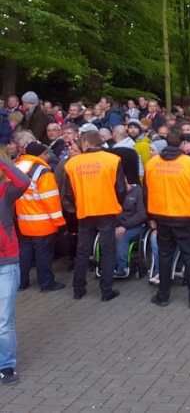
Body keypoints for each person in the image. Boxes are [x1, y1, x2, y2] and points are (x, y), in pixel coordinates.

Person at [146, 131, 190, 309]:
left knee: (164, 256)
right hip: (186, 217)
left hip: (162, 217)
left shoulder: (152, 163)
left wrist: (150, 217)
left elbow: (146, 192)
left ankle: (162, 295)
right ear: (183, 144)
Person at [63, 131, 126, 301]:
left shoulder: (72, 163)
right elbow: (121, 189)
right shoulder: (112, 160)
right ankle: (106, 291)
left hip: (85, 211)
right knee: (107, 251)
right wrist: (116, 203)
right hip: (107, 211)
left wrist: (80, 203)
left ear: (85, 143)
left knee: (82, 251)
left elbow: (68, 192)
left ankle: (78, 289)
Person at [14, 142, 66, 292]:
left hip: (23, 221)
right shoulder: (43, 172)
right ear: (40, 154)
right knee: (43, 254)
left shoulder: (17, 167)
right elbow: (51, 200)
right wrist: (60, 222)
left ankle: (21, 282)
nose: (48, 155)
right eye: (46, 153)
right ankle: (46, 284)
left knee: (24, 254)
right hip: (42, 223)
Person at [0, 156, 31, 386]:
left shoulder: (4, 193)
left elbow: (22, 181)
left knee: (3, 321)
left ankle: (6, 366)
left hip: (5, 265)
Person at [114, 180, 147, 277]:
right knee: (106, 234)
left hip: (136, 226)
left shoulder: (138, 192)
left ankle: (122, 267)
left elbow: (142, 215)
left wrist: (125, 226)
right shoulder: (113, 193)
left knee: (121, 236)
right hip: (117, 225)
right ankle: (108, 266)